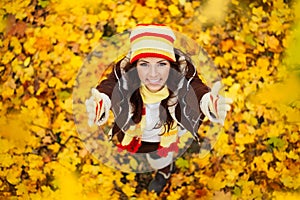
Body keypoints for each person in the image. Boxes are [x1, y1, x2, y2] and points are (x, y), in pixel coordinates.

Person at [85, 24, 232, 194]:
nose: (153, 74)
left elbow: (195, 87)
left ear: (171, 65)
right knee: (145, 150)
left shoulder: (181, 70)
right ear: (135, 65)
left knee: (162, 155)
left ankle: (164, 170)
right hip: (138, 128)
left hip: (169, 129)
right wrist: (103, 101)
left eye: (161, 64)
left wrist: (206, 102)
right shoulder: (125, 71)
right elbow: (111, 85)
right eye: (145, 64)